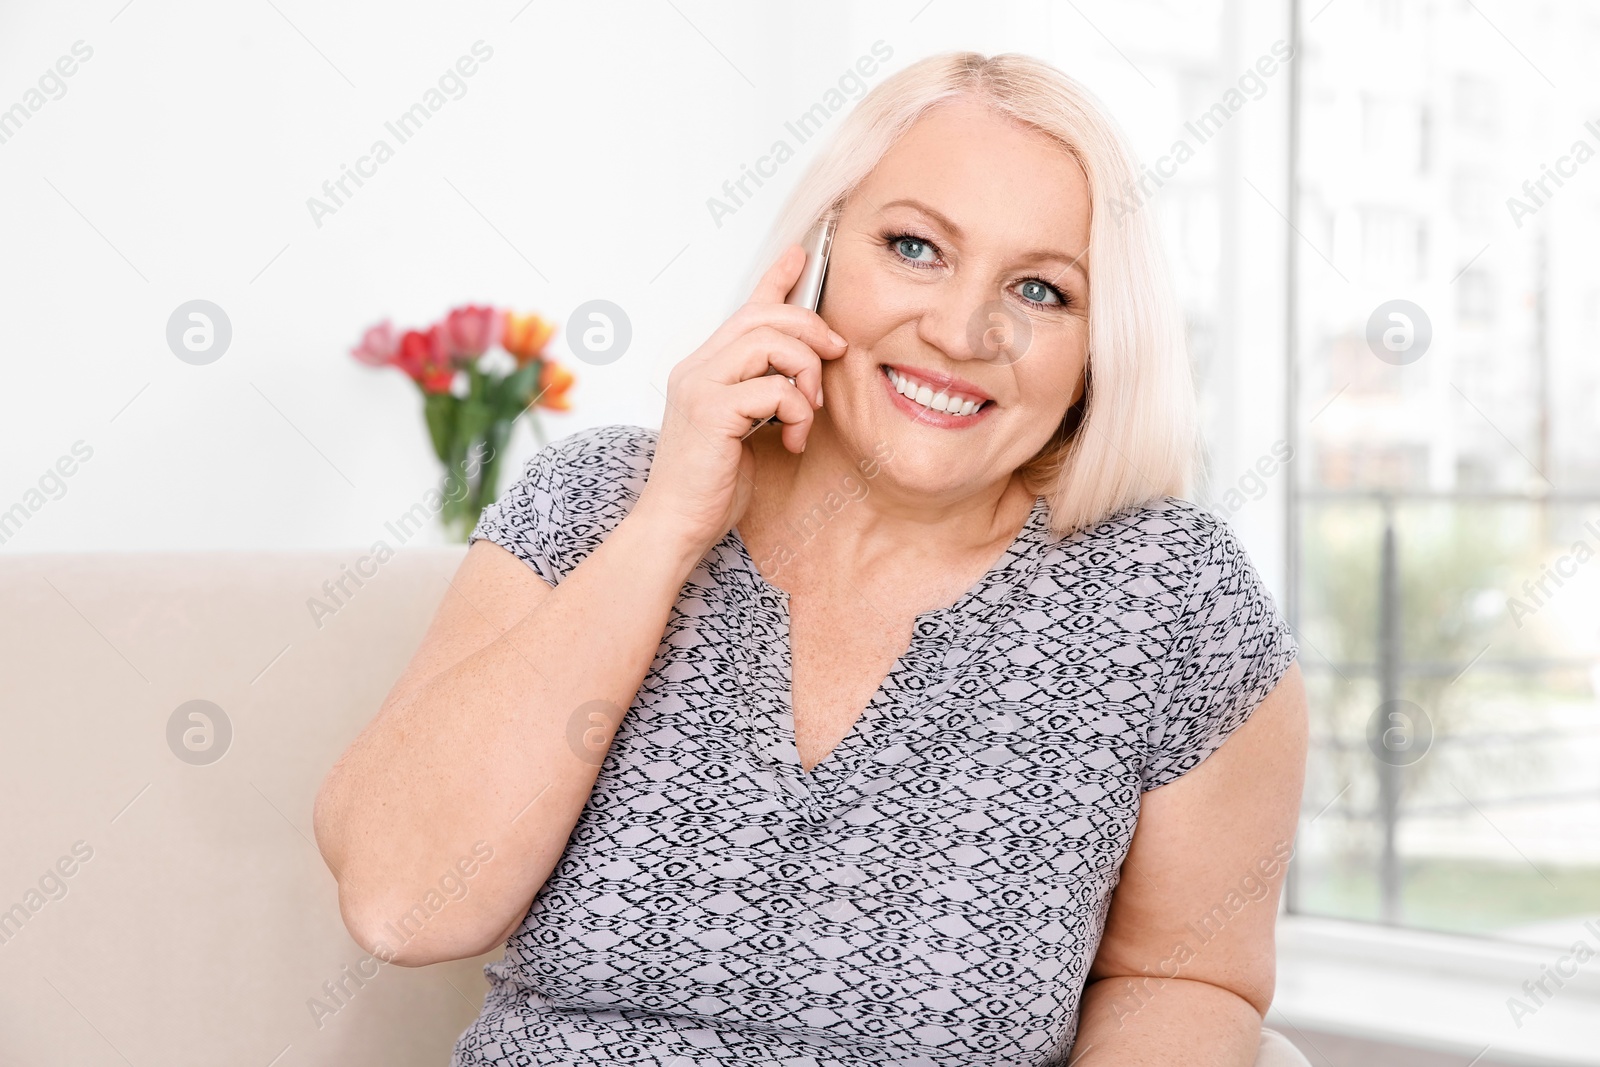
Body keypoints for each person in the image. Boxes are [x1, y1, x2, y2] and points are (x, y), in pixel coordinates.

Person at [313, 50, 1309, 1067]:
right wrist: (665, 527)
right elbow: (401, 903)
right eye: (914, 245)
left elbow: (1184, 975)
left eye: (1043, 290)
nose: (962, 329)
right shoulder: (597, 501)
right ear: (821, 251)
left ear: (1099, 347)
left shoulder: (1166, 598)